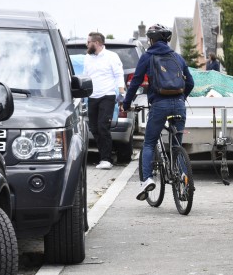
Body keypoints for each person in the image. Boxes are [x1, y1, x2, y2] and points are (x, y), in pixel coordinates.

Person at [123, 23, 195, 200]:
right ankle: (185, 183)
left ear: (151, 40)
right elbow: (190, 82)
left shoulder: (148, 56)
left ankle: (147, 180)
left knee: (149, 143)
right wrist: (180, 97)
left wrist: (126, 103)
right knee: (177, 144)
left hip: (159, 105)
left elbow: (136, 82)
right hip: (179, 104)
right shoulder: (177, 57)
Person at [81, 32, 125, 169]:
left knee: (102, 126)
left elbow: (119, 74)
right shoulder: (87, 58)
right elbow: (85, 76)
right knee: (94, 128)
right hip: (92, 97)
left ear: (97, 43)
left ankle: (106, 159)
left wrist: (122, 93)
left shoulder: (112, 57)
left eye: (88, 42)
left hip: (107, 96)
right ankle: (104, 156)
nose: (86, 44)